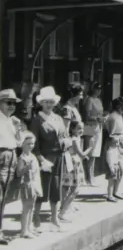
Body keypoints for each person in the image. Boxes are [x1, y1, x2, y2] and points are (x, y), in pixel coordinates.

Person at [31, 86, 70, 230]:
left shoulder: (58, 118)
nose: (49, 105)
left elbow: (65, 135)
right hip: (45, 158)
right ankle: (36, 218)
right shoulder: (37, 120)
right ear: (41, 103)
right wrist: (40, 159)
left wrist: (67, 141)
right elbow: (33, 144)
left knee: (56, 188)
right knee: (42, 189)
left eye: (51, 102)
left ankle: (54, 218)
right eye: (46, 102)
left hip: (59, 157)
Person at [0, 89, 23, 243]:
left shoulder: (12, 120)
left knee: (5, 196)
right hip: (2, 155)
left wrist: (18, 128)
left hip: (11, 155)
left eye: (14, 103)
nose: (11, 106)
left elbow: (19, 142)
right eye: (8, 103)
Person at [16, 132, 42, 238]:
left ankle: (29, 228)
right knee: (26, 208)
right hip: (26, 185)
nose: (30, 146)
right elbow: (18, 173)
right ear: (22, 144)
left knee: (32, 207)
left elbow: (35, 171)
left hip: (34, 183)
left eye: (32, 144)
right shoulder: (22, 158)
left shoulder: (33, 156)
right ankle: (23, 230)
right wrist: (27, 167)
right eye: (28, 144)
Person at [83, 83, 104, 186]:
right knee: (89, 152)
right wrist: (97, 119)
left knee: (94, 153)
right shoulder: (89, 100)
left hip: (98, 127)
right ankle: (88, 177)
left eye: (100, 89)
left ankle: (92, 176)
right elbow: (86, 117)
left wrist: (102, 118)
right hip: (90, 128)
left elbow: (100, 113)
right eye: (97, 89)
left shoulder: (99, 100)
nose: (98, 91)